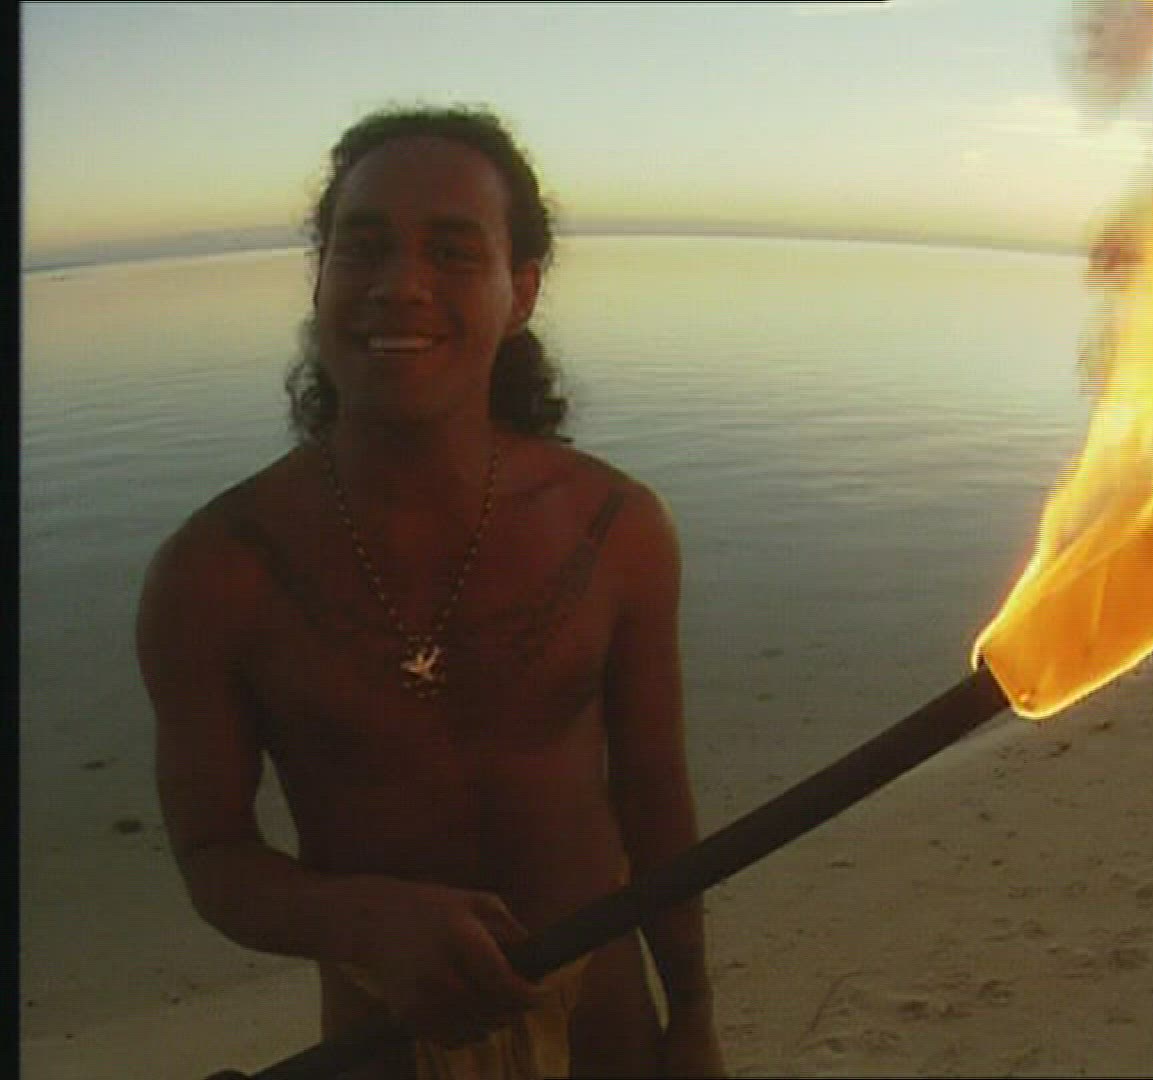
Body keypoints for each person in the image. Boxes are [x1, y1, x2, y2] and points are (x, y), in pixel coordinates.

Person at [136, 104, 725, 1080]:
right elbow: (211, 853)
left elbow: (654, 795)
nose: (400, 285)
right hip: (383, 1040)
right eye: (362, 247)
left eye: (453, 252)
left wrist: (694, 1012)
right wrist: (360, 919)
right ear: (321, 276)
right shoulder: (216, 574)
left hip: (605, 1021)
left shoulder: (615, 530)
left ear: (520, 291)